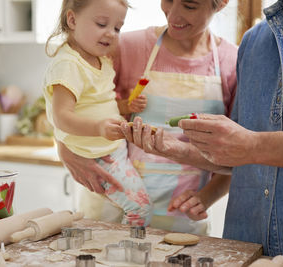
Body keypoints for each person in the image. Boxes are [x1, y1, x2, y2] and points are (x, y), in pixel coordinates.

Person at [126, 0, 283, 265]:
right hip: (242, 252)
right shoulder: (254, 42)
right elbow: (241, 156)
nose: (174, 13)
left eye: (188, 5)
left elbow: (249, 147)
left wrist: (251, 145)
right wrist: (180, 150)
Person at [57, 0, 237, 234]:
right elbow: (71, 100)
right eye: (168, 0)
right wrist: (64, 148)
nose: (173, 15)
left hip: (180, 222)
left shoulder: (232, 61)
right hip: (109, 214)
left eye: (189, 6)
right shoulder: (124, 46)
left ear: (220, 4)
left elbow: (239, 156)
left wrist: (208, 196)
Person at [42, 0, 153, 226]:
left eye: (117, 28)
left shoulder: (101, 59)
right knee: (139, 209)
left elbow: (98, 102)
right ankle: (127, 259)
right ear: (72, 20)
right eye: (102, 24)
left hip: (112, 151)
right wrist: (99, 128)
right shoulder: (68, 64)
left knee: (109, 220)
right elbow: (61, 117)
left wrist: (125, 107)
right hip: (99, 157)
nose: (111, 34)